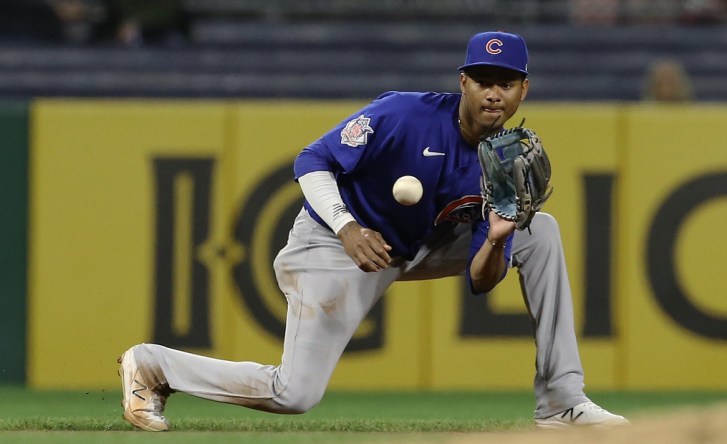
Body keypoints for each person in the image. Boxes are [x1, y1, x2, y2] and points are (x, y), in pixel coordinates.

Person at [118, 31, 630, 432]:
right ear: (463, 82)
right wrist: (346, 227)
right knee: (294, 394)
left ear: (524, 90)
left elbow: (481, 280)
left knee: (540, 231)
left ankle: (561, 402)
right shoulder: (402, 114)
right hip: (334, 243)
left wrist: (498, 238)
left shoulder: (501, 164)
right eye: (483, 80)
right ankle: (154, 366)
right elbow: (311, 159)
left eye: (506, 82)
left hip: (416, 246)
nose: (493, 92)